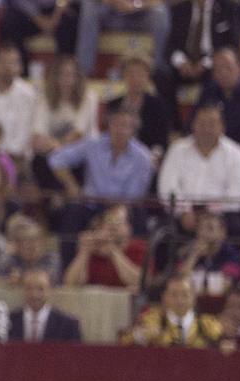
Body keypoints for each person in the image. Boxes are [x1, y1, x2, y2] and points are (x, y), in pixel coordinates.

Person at [47, 106, 152, 266]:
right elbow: (56, 159)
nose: (119, 130)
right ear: (108, 126)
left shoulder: (143, 156)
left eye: (125, 126)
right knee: (71, 211)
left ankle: (138, 270)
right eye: (115, 124)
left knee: (139, 215)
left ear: (133, 130)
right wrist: (71, 185)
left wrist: (111, 215)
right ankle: (66, 269)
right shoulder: (93, 144)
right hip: (91, 204)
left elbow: (134, 196)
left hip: (124, 207)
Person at [157, 103, 240, 238]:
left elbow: (238, 193)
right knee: (163, 232)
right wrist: (184, 211)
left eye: (212, 124)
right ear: (193, 125)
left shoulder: (235, 152)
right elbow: (167, 187)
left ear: (222, 127)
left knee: (237, 228)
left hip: (223, 215)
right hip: (183, 215)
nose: (206, 128)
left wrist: (210, 214)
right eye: (202, 123)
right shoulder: (177, 149)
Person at [156, 0, 240, 131]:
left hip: (212, 63)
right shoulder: (179, 9)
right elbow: (170, 46)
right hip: (184, 62)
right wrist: (181, 62)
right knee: (161, 74)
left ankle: (212, 126)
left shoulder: (227, 8)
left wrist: (207, 63)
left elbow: (232, 44)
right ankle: (173, 127)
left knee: (217, 77)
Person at [31, 55, 98, 190]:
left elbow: (78, 133)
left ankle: (69, 198)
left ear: (77, 77)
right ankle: (53, 200)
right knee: (40, 161)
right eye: (61, 75)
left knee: (62, 160)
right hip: (51, 151)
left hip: (80, 151)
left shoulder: (88, 97)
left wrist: (56, 145)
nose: (66, 80)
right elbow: (38, 136)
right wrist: (54, 146)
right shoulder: (44, 97)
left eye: (70, 75)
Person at [122, 273, 223, 347]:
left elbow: (223, 344)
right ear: (164, 298)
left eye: (185, 295)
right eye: (174, 294)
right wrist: (141, 335)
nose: (180, 300)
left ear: (194, 298)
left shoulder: (207, 323)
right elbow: (124, 343)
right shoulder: (151, 319)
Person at [104, 53, 171, 164]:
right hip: (116, 156)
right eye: (131, 74)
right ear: (124, 76)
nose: (135, 79)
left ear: (147, 77)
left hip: (147, 158)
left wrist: (153, 157)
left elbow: (161, 141)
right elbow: (107, 136)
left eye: (140, 74)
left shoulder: (158, 105)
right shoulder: (113, 104)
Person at [75, 0, 169, 77]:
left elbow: (159, 1)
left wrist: (136, 5)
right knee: (89, 5)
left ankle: (158, 70)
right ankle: (83, 72)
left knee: (160, 11)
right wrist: (116, 2)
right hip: (111, 14)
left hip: (141, 15)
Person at [174, 209, 240, 313]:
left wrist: (192, 293)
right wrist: (194, 255)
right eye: (200, 228)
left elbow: (224, 287)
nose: (204, 233)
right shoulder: (187, 251)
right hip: (189, 306)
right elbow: (179, 281)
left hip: (221, 308)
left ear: (222, 232)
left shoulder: (231, 254)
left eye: (210, 228)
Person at [62, 203, 145, 289]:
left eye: (118, 223)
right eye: (108, 222)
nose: (112, 227)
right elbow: (70, 284)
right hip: (93, 300)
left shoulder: (138, 248)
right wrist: (84, 252)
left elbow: (141, 283)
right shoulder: (93, 248)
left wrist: (114, 252)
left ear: (128, 228)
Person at [196, 46, 240, 158]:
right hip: (208, 153)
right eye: (217, 69)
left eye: (228, 68)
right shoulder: (208, 91)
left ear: (239, 67)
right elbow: (193, 123)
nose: (223, 73)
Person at [0, 0, 79, 73]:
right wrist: (38, 18)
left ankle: (64, 73)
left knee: (71, 23)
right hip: (28, 12)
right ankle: (20, 74)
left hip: (58, 10)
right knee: (9, 23)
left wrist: (55, 17)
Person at [8, 268, 82, 341]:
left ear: (50, 290)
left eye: (40, 289)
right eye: (29, 288)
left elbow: (77, 352)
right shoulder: (8, 322)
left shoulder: (68, 325)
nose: (34, 295)